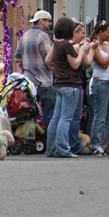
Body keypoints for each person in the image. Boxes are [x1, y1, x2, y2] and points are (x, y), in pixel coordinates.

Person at [44, 17, 95, 158]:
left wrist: (58, 72)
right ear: (69, 30)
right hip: (70, 84)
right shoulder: (66, 45)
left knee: (56, 118)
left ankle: (52, 148)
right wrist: (83, 50)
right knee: (66, 118)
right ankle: (62, 149)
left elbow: (48, 60)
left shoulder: (57, 44)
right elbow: (75, 64)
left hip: (59, 84)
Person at [14, 10, 55, 124]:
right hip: (44, 81)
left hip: (28, 82)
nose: (50, 24)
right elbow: (49, 60)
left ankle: (31, 140)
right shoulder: (43, 36)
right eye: (49, 21)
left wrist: (29, 57)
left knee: (30, 115)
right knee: (49, 115)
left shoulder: (25, 36)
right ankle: (48, 140)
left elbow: (17, 58)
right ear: (42, 21)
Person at [88, 22, 109, 154]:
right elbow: (104, 64)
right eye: (108, 32)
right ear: (100, 32)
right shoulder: (95, 46)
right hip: (100, 83)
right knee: (100, 116)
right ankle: (95, 143)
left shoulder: (107, 45)